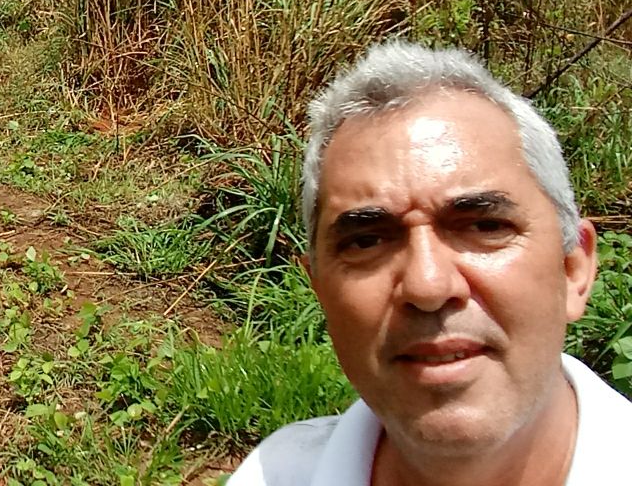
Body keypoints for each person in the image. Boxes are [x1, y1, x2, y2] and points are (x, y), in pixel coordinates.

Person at [229, 42, 632, 486]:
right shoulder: (275, 475)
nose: (427, 285)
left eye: (483, 226)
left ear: (573, 268)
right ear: (320, 288)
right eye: (366, 240)